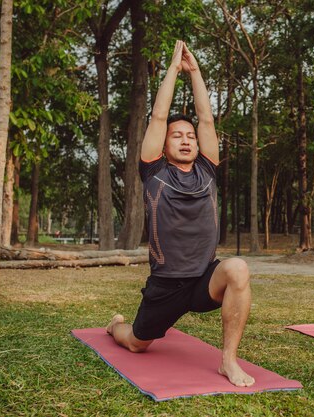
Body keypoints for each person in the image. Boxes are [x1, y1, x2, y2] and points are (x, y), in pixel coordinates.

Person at [106, 40, 255, 387]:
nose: (186, 140)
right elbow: (159, 116)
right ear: (165, 144)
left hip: (205, 279)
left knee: (238, 268)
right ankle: (116, 325)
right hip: (166, 285)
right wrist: (174, 69)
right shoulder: (154, 172)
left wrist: (197, 72)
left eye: (190, 136)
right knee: (136, 343)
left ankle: (228, 361)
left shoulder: (207, 169)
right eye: (177, 136)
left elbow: (206, 117)